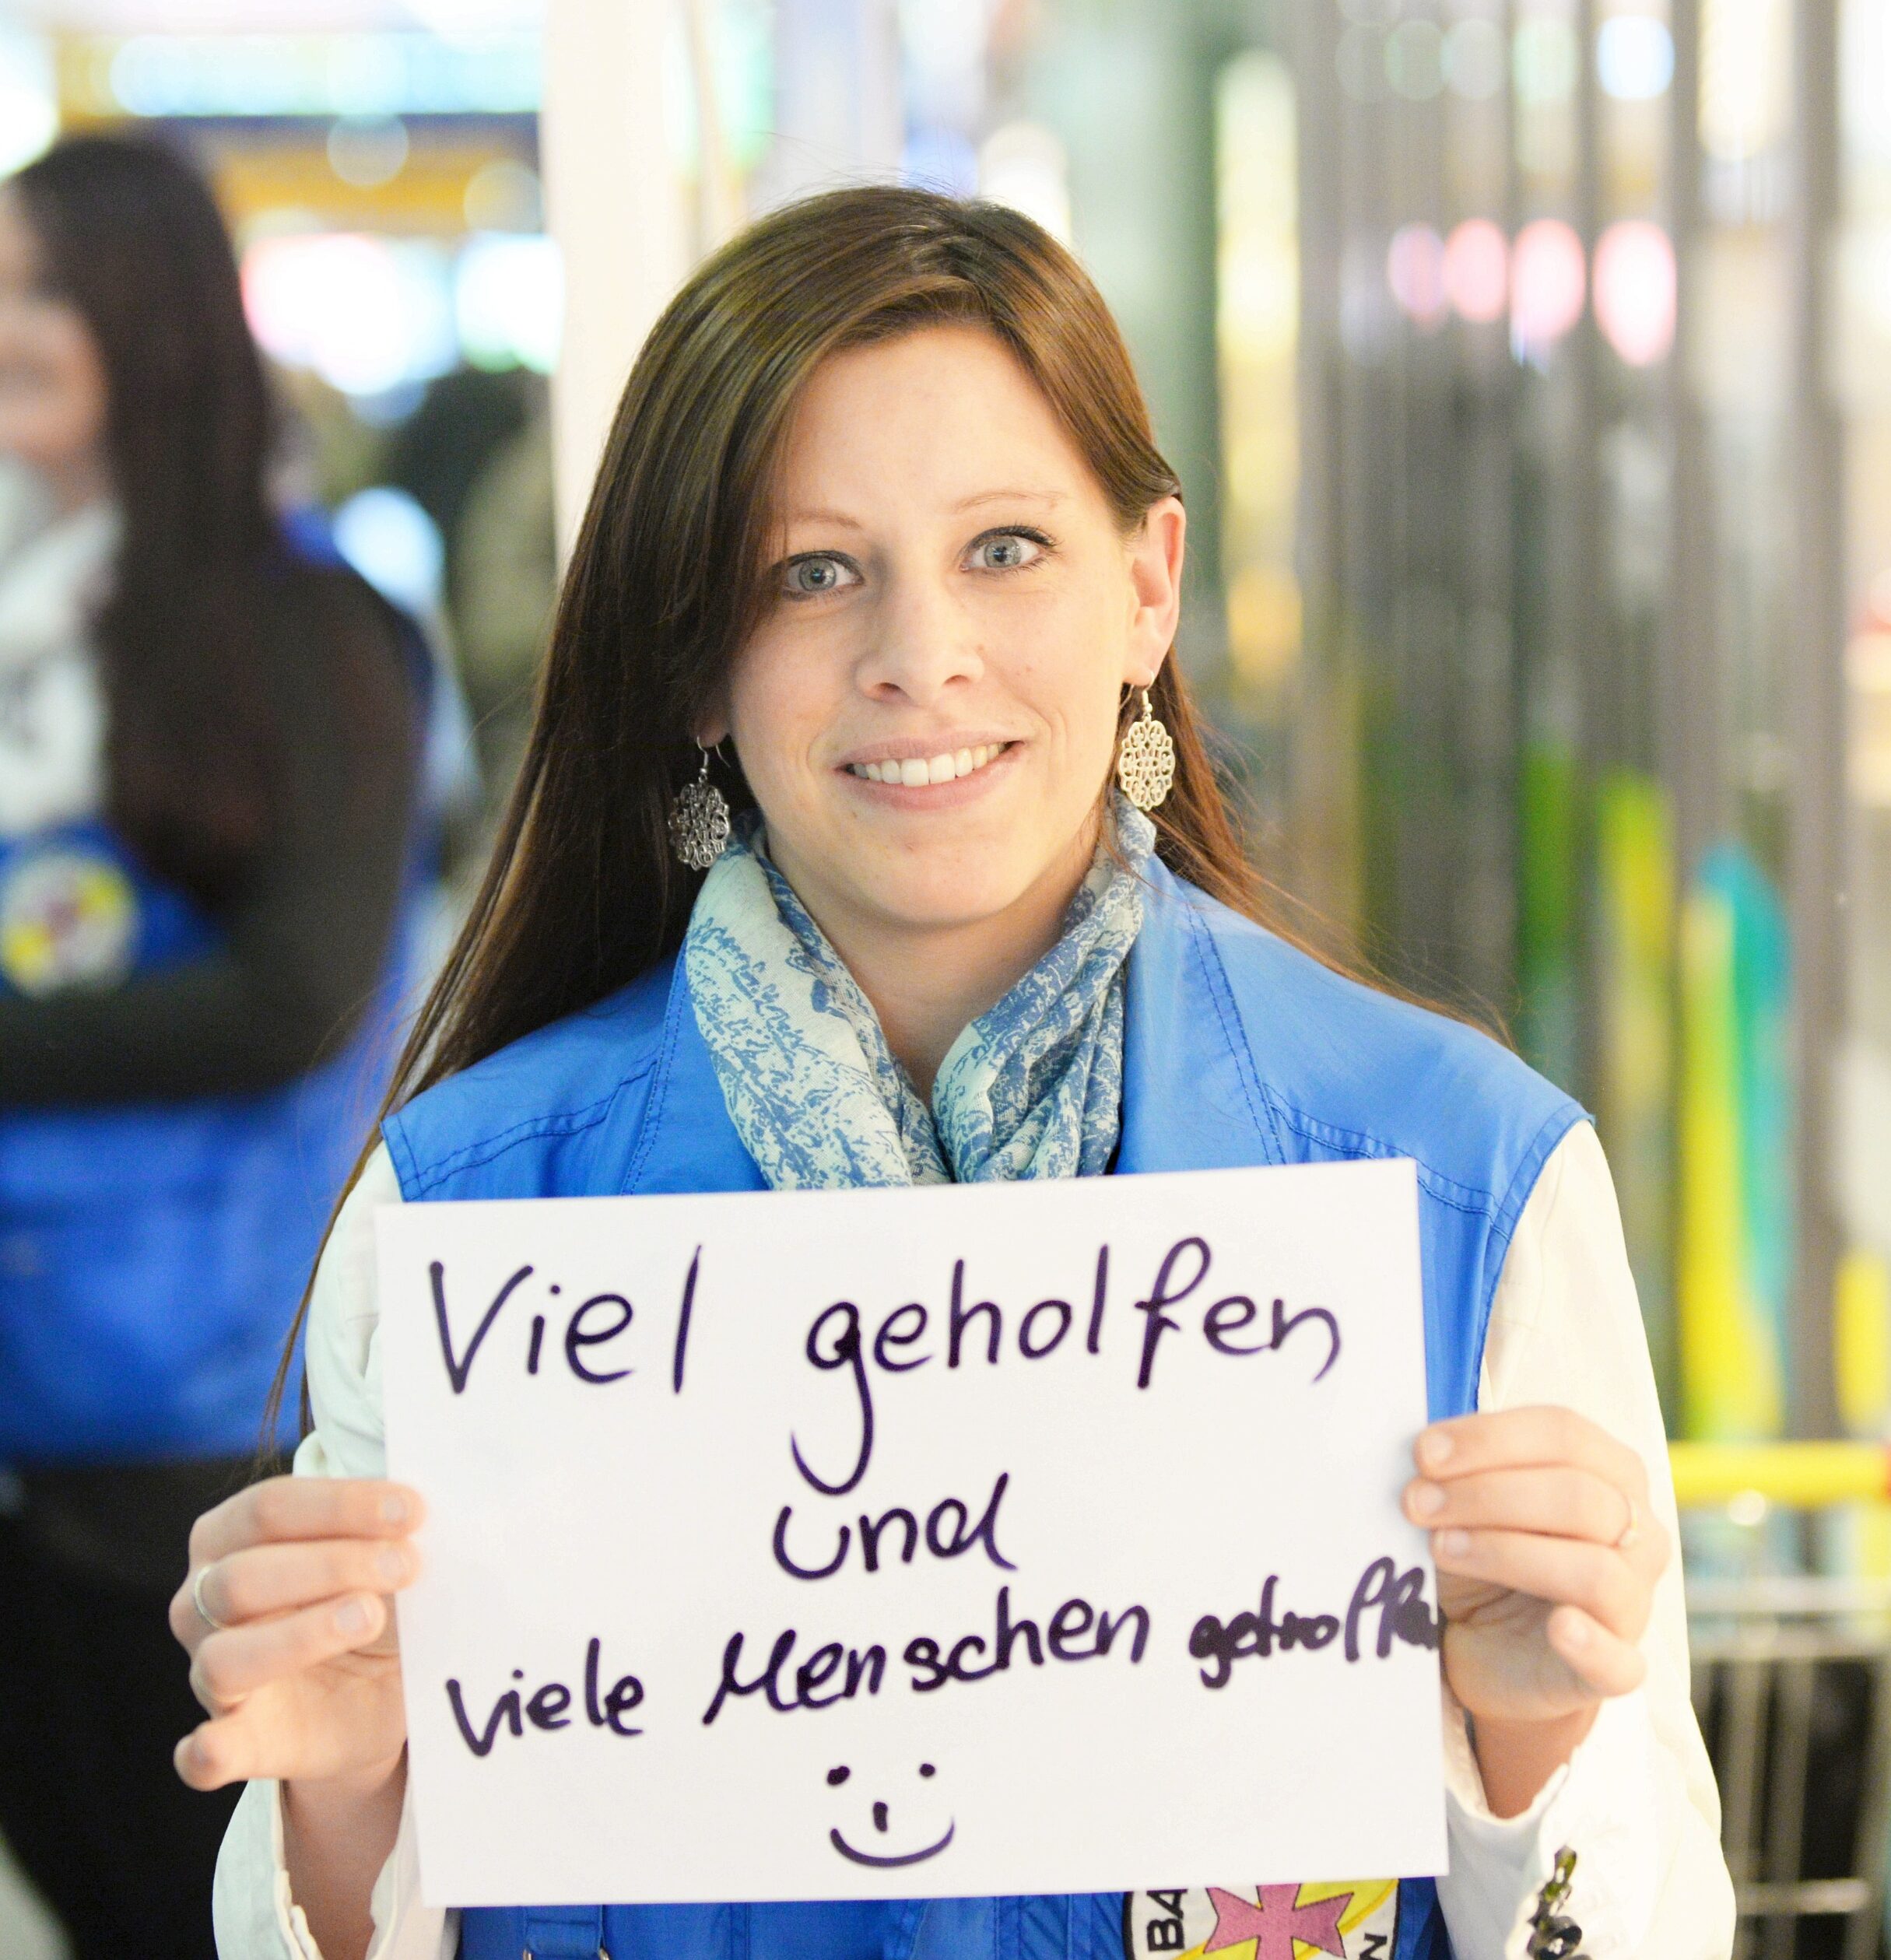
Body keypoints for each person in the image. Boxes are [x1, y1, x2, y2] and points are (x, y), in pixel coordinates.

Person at [177, 188, 1733, 1960]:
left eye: (1005, 548)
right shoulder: (472, 1221)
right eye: (812, 572)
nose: (919, 656)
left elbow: (1655, 1917)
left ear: (1147, 588)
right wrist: (346, 1805)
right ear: (695, 660)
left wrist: (1523, 1743)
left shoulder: (1460, 1183)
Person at [0, 135, 424, 1958]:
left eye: (30, 285)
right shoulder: (27, 625)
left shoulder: (308, 630)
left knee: (200, 1909)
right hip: (27, 1427)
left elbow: (297, 995)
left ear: (145, 317)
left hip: (192, 1422)